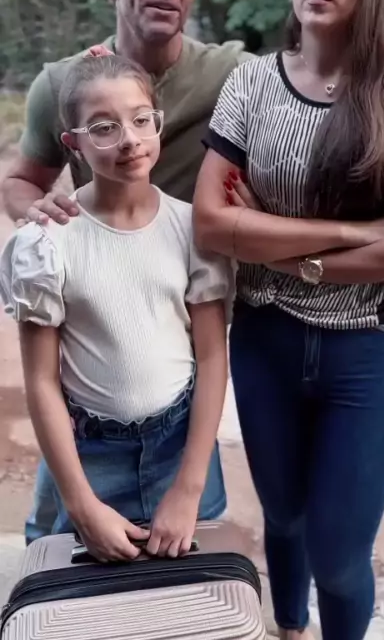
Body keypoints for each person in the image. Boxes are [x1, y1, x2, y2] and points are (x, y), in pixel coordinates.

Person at [0, 0, 384, 543]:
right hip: (93, 337)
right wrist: (40, 214)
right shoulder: (63, 85)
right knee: (59, 537)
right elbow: (21, 181)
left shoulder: (230, 74)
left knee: (189, 534)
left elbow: (314, 59)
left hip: (187, 308)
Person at [192, 0, 384, 640]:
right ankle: (289, 626)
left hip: (369, 355)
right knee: (282, 517)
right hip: (266, 342)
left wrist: (282, 249)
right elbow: (214, 224)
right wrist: (349, 234)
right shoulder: (251, 84)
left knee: (339, 558)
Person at [0, 54, 232, 562]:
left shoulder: (192, 229)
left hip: (182, 446)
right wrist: (82, 506)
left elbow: (213, 357)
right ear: (73, 143)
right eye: (104, 127)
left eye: (141, 119)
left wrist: (189, 488)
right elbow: (41, 380)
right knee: (77, 591)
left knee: (189, 587)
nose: (129, 139)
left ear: (157, 122)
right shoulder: (46, 242)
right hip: (90, 454)